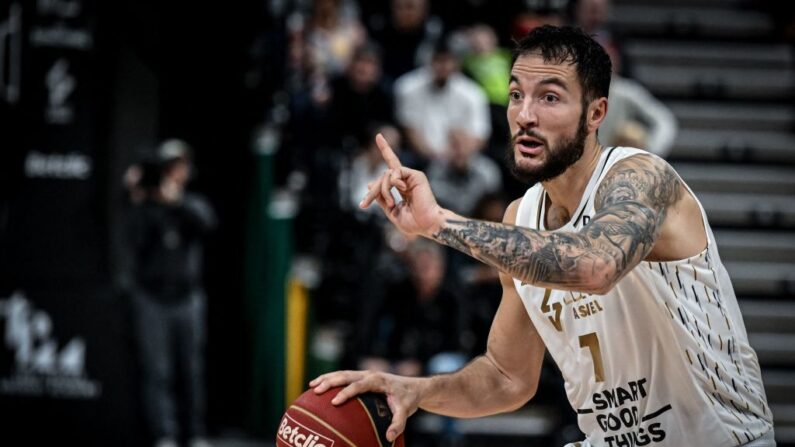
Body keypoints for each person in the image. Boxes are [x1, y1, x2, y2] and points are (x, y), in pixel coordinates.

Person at [310, 26, 775, 447]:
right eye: (515, 95)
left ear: (596, 113)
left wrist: (438, 224)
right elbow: (506, 377)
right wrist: (413, 390)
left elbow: (594, 265)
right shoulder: (522, 217)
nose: (524, 115)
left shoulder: (642, 178)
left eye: (549, 98)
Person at [127, 139, 216, 447]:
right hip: (152, 297)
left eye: (180, 167)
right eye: (170, 167)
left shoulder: (191, 205)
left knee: (191, 369)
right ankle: (164, 434)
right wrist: (137, 197)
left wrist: (176, 202)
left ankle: (195, 434)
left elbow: (207, 223)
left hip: (187, 298)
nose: (176, 173)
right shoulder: (144, 206)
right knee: (157, 370)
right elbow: (132, 238)